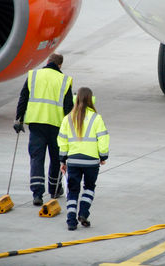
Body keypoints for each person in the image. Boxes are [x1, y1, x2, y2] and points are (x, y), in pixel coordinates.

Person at [14, 53, 74, 206]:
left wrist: (19, 119)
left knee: (36, 158)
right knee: (56, 159)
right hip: (56, 126)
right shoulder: (65, 80)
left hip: (36, 124)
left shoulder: (34, 76)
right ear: (60, 65)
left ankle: (37, 194)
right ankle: (54, 190)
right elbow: (68, 107)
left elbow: (23, 98)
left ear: (48, 62)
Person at [57, 87, 109, 231]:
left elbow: (62, 141)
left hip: (73, 161)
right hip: (91, 161)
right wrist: (103, 156)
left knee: (73, 190)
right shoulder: (96, 118)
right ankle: (83, 213)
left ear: (76, 99)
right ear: (91, 99)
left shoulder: (68, 118)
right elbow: (103, 139)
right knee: (89, 188)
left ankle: (71, 221)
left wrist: (63, 160)